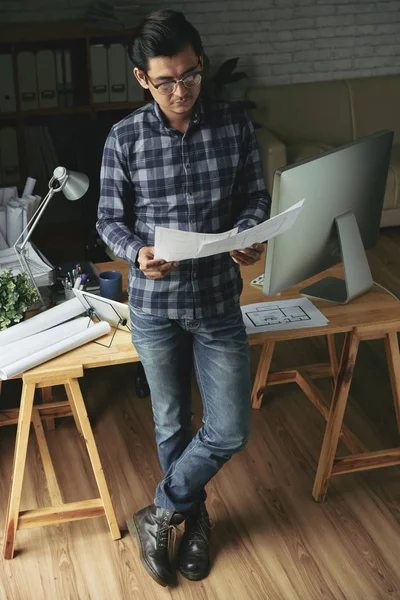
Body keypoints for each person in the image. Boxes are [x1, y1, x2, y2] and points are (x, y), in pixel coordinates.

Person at [97, 9, 270, 588]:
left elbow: (254, 195)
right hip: (155, 305)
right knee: (170, 424)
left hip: (219, 299)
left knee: (230, 427)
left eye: (191, 74)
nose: (183, 89)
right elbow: (107, 220)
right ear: (144, 79)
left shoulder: (232, 123)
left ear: (200, 64)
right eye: (167, 80)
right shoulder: (124, 137)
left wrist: (248, 235)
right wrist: (136, 251)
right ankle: (193, 524)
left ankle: (160, 512)